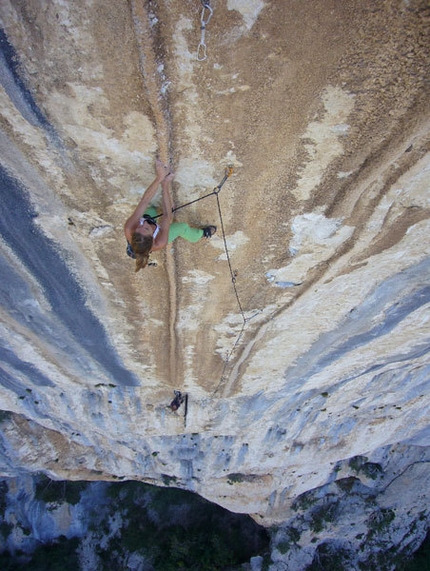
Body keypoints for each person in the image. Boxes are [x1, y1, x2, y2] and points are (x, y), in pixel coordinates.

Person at [124, 159, 217, 272]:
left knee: (151, 210)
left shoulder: (130, 228)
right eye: (147, 228)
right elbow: (167, 216)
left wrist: (159, 178)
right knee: (182, 227)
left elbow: (144, 200)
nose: (144, 224)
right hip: (160, 232)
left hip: (147, 225)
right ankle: (201, 234)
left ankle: (161, 209)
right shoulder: (159, 242)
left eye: (140, 227)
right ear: (152, 238)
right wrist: (165, 185)